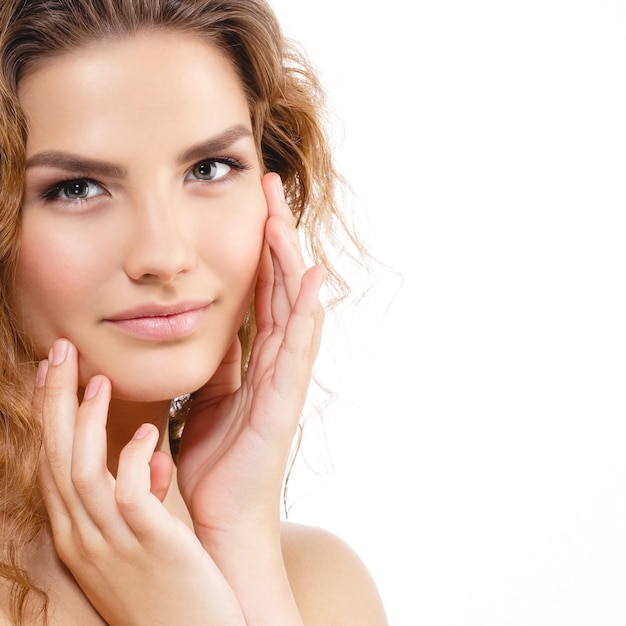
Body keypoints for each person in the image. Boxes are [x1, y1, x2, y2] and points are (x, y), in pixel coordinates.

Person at [0, 0, 388, 624]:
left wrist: (238, 539)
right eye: (76, 188)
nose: (164, 254)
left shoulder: (317, 587)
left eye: (210, 168)